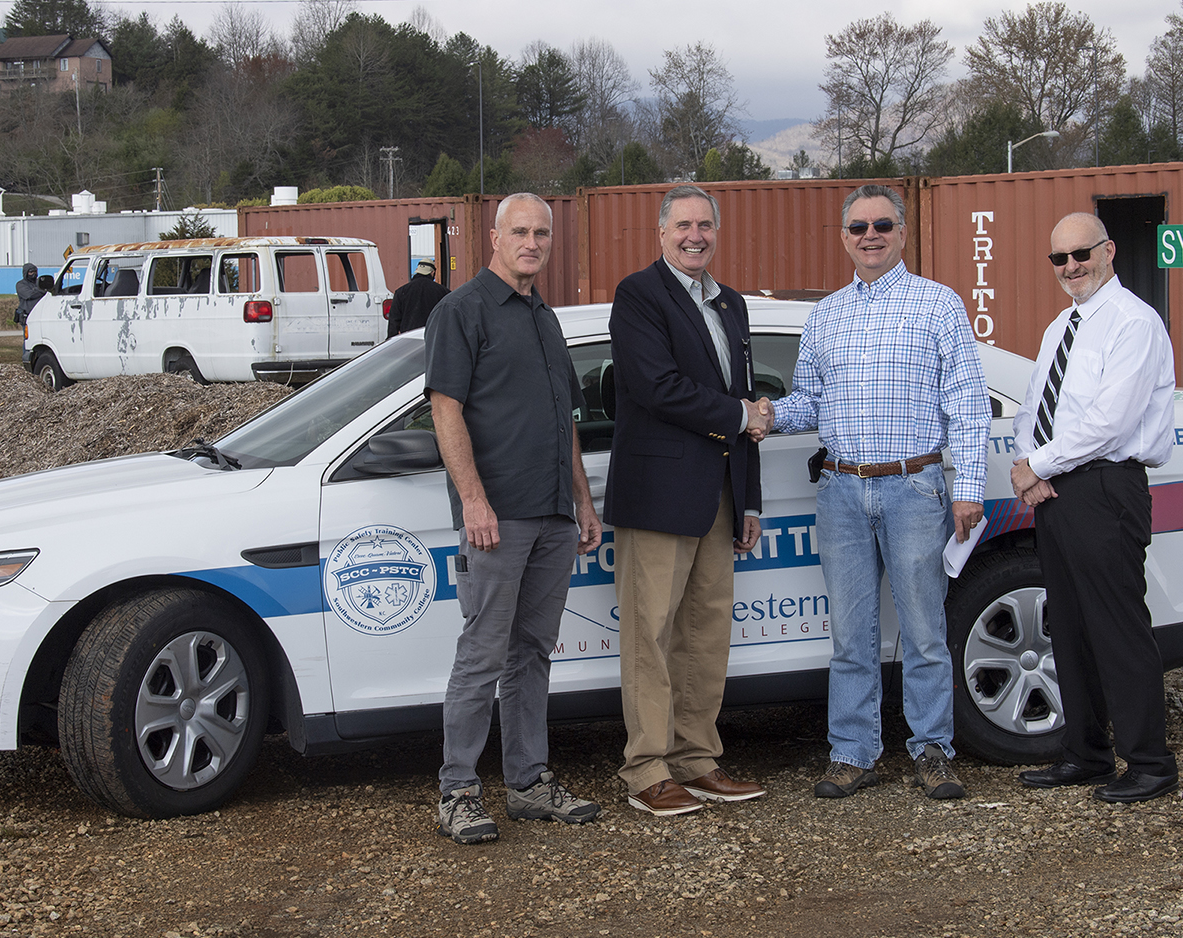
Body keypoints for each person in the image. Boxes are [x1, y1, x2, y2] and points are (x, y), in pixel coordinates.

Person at [771, 184, 990, 801]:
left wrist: (968, 488)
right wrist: (762, 413)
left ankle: (933, 750)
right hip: (841, 490)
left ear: (902, 233)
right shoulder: (825, 315)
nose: (871, 236)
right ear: (844, 237)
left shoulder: (938, 304)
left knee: (924, 631)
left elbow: (968, 404)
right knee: (850, 635)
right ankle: (853, 753)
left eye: (883, 225)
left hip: (914, 487)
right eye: (859, 227)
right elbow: (809, 402)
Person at [424, 193, 604, 844]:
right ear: (495, 238)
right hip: (497, 519)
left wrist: (582, 501)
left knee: (531, 654)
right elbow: (445, 409)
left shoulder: (544, 317)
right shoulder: (461, 311)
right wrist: (473, 500)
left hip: (552, 516)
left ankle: (528, 784)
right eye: (520, 231)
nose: (532, 242)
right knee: (482, 655)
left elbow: (566, 420)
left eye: (542, 233)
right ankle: (458, 793)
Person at [605, 185, 769, 816]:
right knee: (649, 634)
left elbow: (745, 395)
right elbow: (657, 387)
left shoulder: (731, 303)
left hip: (719, 495)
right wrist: (741, 415)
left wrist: (749, 500)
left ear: (716, 232)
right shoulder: (638, 295)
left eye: (705, 225)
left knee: (705, 632)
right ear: (661, 232)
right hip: (657, 494)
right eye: (683, 225)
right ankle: (647, 768)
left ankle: (697, 758)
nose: (694, 235)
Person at [1012, 213, 1179, 804]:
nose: (1070, 267)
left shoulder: (1134, 322)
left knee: (1117, 629)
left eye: (1081, 254)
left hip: (1106, 487)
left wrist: (1040, 465)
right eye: (1058, 258)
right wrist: (1027, 464)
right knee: (1071, 628)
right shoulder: (1061, 325)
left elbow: (1111, 422)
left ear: (1108, 251)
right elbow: (1034, 406)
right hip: (1059, 489)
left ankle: (1151, 764)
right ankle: (1085, 754)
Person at [387, 259, 451, 336]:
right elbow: (449, 317)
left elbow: (394, 321)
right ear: (432, 272)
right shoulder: (443, 292)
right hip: (433, 336)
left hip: (409, 337)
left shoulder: (401, 292)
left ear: (417, 271)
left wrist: (392, 338)